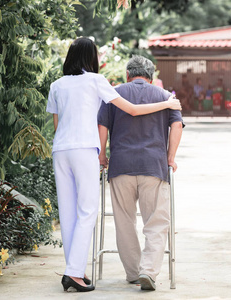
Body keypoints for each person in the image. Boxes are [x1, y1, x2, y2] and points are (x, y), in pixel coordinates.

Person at [46, 37, 181, 293]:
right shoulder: (97, 81)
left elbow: (58, 123)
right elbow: (131, 110)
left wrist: (99, 153)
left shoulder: (56, 85)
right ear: (91, 58)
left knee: (68, 212)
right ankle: (75, 273)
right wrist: (166, 103)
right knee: (88, 211)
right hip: (86, 149)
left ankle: (75, 270)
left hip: (61, 150)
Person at [97, 55, 183, 291]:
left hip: (121, 166)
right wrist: (170, 157)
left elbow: (102, 127)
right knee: (156, 221)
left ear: (128, 75)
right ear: (151, 77)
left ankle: (133, 272)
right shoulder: (166, 97)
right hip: (153, 166)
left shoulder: (113, 93)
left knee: (124, 221)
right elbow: (176, 125)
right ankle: (148, 271)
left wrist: (102, 156)